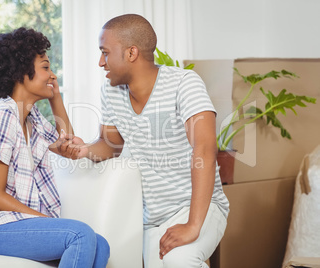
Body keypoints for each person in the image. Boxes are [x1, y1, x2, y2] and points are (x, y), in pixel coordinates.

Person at [59, 14, 230, 268]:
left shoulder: (184, 83)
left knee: (179, 260)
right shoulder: (111, 91)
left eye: (105, 53)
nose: (100, 62)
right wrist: (83, 150)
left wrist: (193, 225)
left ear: (131, 53)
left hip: (195, 207)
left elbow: (204, 150)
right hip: (149, 219)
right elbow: (110, 145)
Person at [0, 27, 110, 267]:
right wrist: (44, 220)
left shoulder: (32, 118)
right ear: (21, 73)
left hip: (12, 221)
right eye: (46, 67)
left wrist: (55, 97)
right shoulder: (2, 116)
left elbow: (67, 141)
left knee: (101, 244)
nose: (53, 75)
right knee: (79, 234)